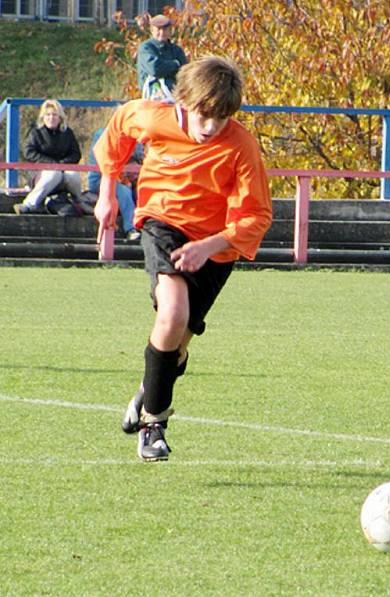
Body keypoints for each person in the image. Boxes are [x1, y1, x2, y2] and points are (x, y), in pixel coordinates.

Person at [93, 56, 273, 461]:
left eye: (221, 119)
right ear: (184, 101)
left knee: (177, 346)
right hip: (163, 225)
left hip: (216, 245)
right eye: (203, 116)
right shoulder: (152, 117)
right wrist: (108, 193)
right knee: (171, 315)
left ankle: (148, 388)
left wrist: (208, 246)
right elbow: (119, 129)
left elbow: (257, 216)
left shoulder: (241, 145)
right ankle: (154, 425)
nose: (210, 128)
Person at [13, 99, 83, 215]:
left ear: (60, 117)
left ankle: (79, 201)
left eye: (54, 115)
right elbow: (28, 152)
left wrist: (62, 164)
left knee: (73, 174)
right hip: (41, 174)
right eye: (48, 115)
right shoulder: (36, 132)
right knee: (53, 173)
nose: (51, 118)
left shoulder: (67, 133)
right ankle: (29, 205)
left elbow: (76, 154)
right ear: (43, 117)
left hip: (63, 171)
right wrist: (50, 164)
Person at [87, 127, 142, 241]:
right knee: (123, 189)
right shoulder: (103, 134)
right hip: (102, 177)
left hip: (129, 175)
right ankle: (131, 228)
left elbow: (139, 157)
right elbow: (106, 161)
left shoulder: (137, 134)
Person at [136, 14, 188, 101]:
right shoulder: (146, 48)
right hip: (152, 95)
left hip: (175, 94)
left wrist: (165, 67)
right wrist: (175, 64)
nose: (162, 33)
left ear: (170, 31)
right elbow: (155, 69)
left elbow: (184, 72)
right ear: (152, 31)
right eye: (158, 30)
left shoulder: (176, 50)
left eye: (165, 29)